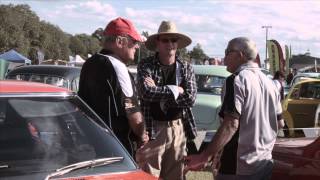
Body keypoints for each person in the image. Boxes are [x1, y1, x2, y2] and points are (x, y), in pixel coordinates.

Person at [184, 37, 285, 180]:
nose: (224, 57)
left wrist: (204, 156)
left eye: (227, 52)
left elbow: (231, 124)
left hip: (238, 166)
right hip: (264, 163)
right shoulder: (272, 84)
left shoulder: (236, 80)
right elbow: (280, 123)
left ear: (240, 55)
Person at [78, 17, 148, 156]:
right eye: (134, 41)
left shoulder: (89, 63)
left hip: (92, 143)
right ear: (120, 41)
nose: (137, 46)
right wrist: (142, 135)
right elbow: (133, 114)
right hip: (118, 148)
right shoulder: (118, 67)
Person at [135, 21, 197, 180]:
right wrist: (176, 90)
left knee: (176, 176)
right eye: (165, 40)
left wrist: (159, 89)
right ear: (158, 42)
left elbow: (190, 98)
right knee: (149, 176)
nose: (170, 44)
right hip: (152, 129)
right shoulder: (145, 65)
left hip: (178, 127)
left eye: (174, 40)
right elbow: (146, 92)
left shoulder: (185, 67)